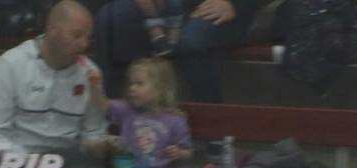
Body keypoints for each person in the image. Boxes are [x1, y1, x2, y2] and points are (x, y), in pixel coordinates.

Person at [0, 0, 110, 168]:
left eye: (89, 37)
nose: (84, 44)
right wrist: (31, 163)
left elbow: (94, 131)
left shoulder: (91, 74)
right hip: (18, 157)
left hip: (68, 161)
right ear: (53, 30)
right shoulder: (10, 65)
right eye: (77, 35)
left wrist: (101, 146)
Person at [91, 0, 263, 103]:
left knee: (191, 40)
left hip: (216, 6)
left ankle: (212, 131)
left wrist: (236, 5)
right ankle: (117, 116)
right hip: (157, 7)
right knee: (111, 20)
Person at [106, 57, 191, 168]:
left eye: (139, 83)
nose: (132, 88)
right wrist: (95, 85)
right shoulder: (127, 110)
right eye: (130, 83)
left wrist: (179, 153)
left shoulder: (175, 120)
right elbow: (102, 105)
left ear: (159, 89)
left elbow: (188, 152)